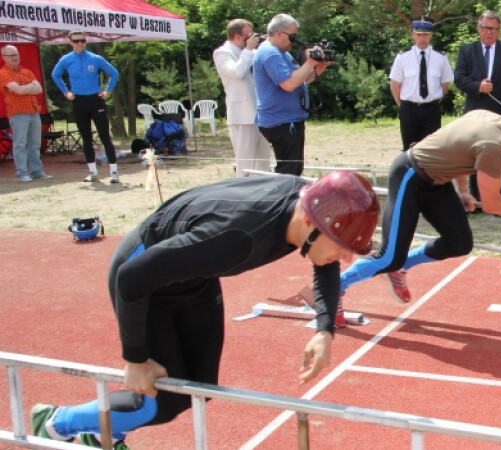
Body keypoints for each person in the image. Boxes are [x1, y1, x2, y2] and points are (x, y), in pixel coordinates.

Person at [31, 170, 381, 448]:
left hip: (195, 276)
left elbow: (324, 264)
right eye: (340, 246)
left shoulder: (311, 201)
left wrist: (324, 330)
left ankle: (102, 434)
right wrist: (134, 358)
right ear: (309, 222)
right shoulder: (238, 237)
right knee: (159, 402)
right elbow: (131, 278)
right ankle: (54, 422)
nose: (346, 258)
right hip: (145, 279)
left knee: (198, 388)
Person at [335, 82, 501, 310]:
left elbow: (454, 147)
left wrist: (463, 191)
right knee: (388, 257)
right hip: (409, 174)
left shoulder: (486, 117)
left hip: (436, 182)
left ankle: (399, 268)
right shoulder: (495, 145)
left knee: (459, 242)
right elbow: (491, 203)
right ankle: (331, 289)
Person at [454, 10, 501, 203]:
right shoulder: (467, 50)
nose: (489, 32)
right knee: (475, 155)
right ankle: (476, 200)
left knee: (500, 158)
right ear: (479, 28)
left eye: (494, 29)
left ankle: (496, 199)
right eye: (486, 28)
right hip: (475, 114)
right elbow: (459, 79)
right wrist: (478, 86)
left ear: (499, 30)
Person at [254, 13, 332, 176]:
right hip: (281, 121)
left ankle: (290, 198)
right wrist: (310, 62)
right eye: (293, 36)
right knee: (288, 172)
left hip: (288, 120)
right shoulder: (270, 53)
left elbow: (300, 79)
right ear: (280, 34)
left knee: (295, 170)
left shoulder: (281, 53)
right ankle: (283, 200)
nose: (295, 41)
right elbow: (289, 84)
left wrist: (319, 67)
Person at [51, 31, 120, 183]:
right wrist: (66, 93)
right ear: (70, 42)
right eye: (76, 41)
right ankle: (93, 172)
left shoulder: (95, 58)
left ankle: (114, 172)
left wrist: (108, 91)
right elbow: (55, 75)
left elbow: (114, 73)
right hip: (78, 101)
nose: (80, 44)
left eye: (82, 40)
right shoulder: (66, 59)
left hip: (95, 100)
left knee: (104, 136)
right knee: (86, 138)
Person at [214, 18, 272, 177]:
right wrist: (248, 50)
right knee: (245, 162)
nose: (253, 37)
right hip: (242, 114)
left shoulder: (252, 53)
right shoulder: (222, 53)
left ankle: (263, 191)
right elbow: (237, 73)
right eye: (249, 35)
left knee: (263, 161)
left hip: (261, 113)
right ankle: (243, 193)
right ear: (237, 36)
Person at [388, 16, 454, 151]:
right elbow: (394, 84)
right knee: (409, 150)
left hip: (431, 110)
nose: (422, 39)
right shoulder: (402, 57)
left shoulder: (440, 57)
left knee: (432, 150)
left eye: (425, 35)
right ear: (413, 35)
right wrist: (403, 106)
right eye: (419, 35)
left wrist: (433, 101)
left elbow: (445, 84)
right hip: (409, 109)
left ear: (431, 35)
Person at [0, 45, 52, 182]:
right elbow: (17, 90)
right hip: (18, 113)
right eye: (11, 55)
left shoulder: (26, 71)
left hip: (33, 111)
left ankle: (37, 171)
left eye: (16, 54)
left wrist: (24, 88)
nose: (15, 57)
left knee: (35, 144)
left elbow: (39, 89)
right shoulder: (3, 73)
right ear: (4, 57)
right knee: (20, 144)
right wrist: (29, 87)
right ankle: (22, 173)